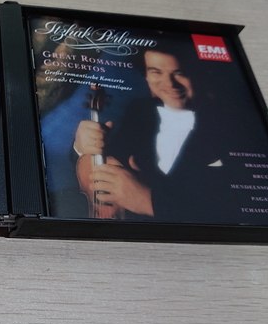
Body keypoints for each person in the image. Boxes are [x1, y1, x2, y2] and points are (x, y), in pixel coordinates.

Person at [72, 48, 236, 222]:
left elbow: (231, 206)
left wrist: (147, 201)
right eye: (156, 72)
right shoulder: (141, 110)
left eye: (180, 73)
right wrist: (82, 146)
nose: (169, 84)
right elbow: (105, 162)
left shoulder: (230, 125)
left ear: (200, 74)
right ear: (146, 76)